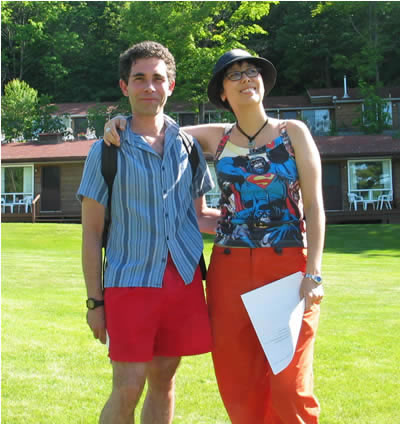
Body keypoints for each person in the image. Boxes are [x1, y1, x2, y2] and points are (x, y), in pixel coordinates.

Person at [104, 48, 325, 424]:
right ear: (222, 92)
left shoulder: (293, 133)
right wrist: (122, 121)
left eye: (251, 71)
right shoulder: (215, 137)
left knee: (290, 384)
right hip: (228, 272)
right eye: (234, 75)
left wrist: (314, 272)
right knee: (239, 383)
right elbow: (153, 128)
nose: (245, 79)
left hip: (288, 268)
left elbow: (316, 207)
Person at [77, 41, 219, 424]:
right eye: (139, 78)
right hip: (130, 282)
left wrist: (258, 223)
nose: (149, 87)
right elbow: (91, 234)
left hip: (183, 279)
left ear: (171, 84)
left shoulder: (188, 146)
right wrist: (94, 303)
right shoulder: (106, 150)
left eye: (158, 78)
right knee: (127, 387)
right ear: (125, 86)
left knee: (164, 383)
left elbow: (200, 216)